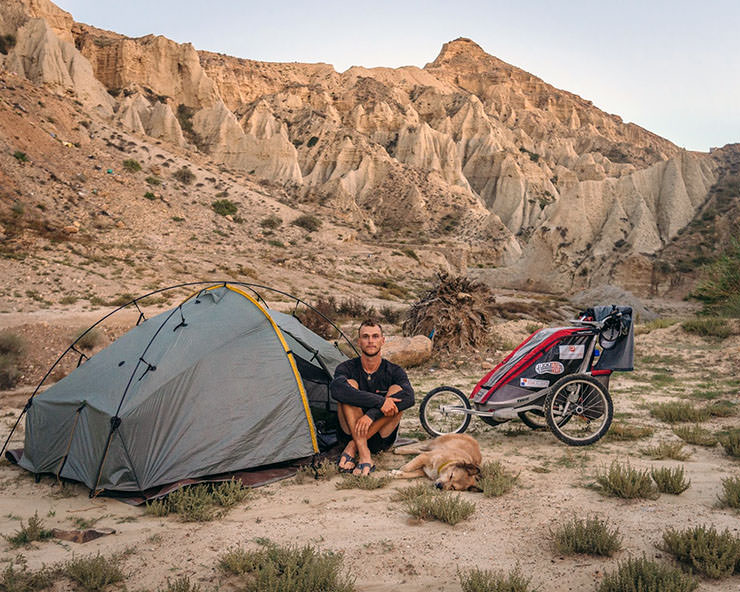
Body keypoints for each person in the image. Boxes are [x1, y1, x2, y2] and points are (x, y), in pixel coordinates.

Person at [330, 319, 415, 476]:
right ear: (359, 342)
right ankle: (364, 455)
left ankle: (353, 446)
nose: (370, 341)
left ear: (382, 341)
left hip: (380, 437)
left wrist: (371, 415)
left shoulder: (394, 370)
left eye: (375, 336)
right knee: (348, 386)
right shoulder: (346, 367)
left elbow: (410, 397)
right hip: (349, 430)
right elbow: (336, 390)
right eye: (366, 336)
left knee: (397, 392)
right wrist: (381, 402)